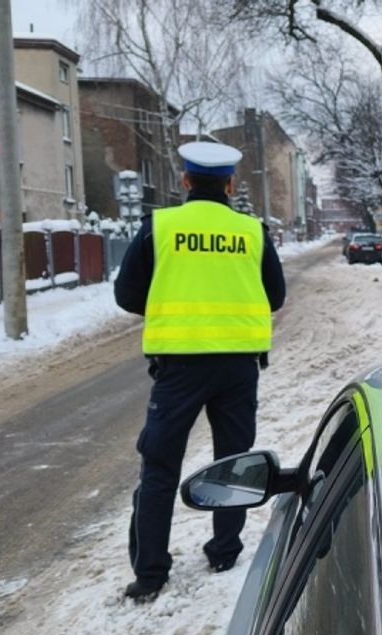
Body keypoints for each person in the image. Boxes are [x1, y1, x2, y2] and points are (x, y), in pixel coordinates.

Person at [113, 141, 286, 603]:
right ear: (230, 184)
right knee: (233, 461)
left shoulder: (160, 227)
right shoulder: (252, 231)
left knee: (160, 466)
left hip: (179, 368)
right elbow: (275, 295)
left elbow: (127, 295)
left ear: (185, 181)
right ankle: (225, 550)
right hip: (237, 366)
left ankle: (150, 573)